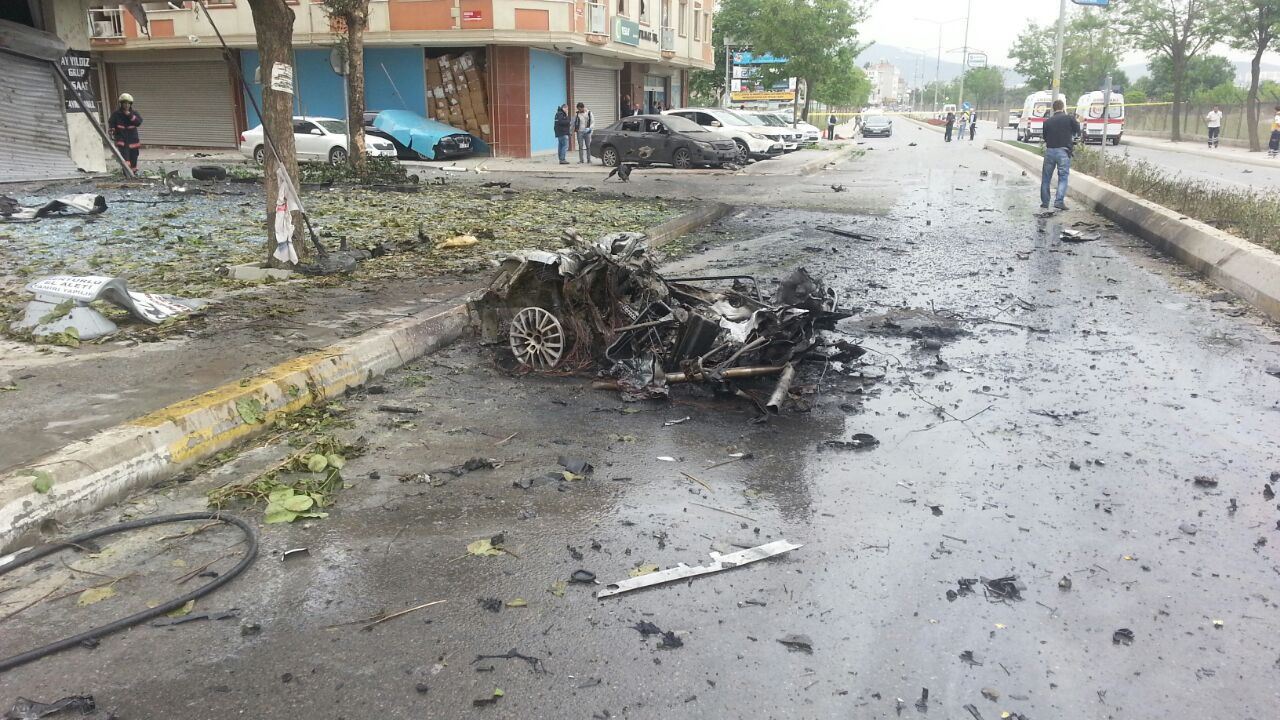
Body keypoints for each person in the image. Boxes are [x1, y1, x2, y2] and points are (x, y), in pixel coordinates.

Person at [1040, 99, 1081, 211]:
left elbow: (1045, 137)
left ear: (1053, 109)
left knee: (1046, 178)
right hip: (1063, 151)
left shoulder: (1047, 121)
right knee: (1063, 177)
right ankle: (1059, 202)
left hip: (1050, 151)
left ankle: (1045, 202)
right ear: (1063, 107)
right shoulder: (1069, 118)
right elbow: (1078, 130)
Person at [108, 92, 143, 173]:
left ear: (131, 104)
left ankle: (133, 174)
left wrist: (129, 115)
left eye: (128, 103)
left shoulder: (134, 113)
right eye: (124, 103)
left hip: (133, 141)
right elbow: (111, 123)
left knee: (134, 158)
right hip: (122, 141)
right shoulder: (116, 114)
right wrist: (112, 129)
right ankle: (127, 174)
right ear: (121, 104)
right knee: (125, 159)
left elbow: (138, 123)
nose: (126, 105)